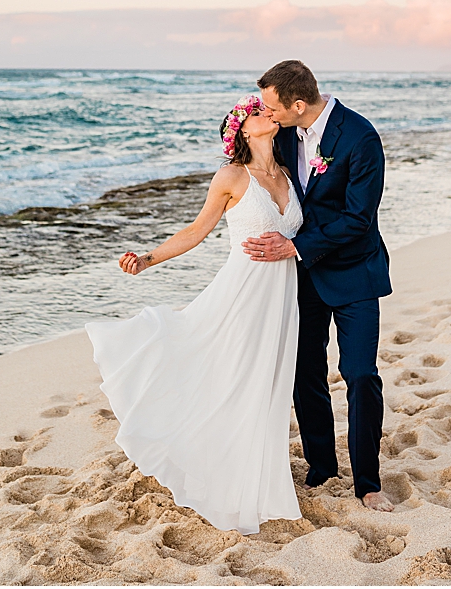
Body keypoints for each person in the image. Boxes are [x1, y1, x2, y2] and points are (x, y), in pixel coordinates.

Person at [85, 94, 302, 534]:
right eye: (257, 112)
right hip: (242, 293)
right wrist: (148, 258)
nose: (267, 114)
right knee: (234, 377)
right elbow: (197, 230)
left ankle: (259, 478)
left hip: (281, 296)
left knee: (269, 384)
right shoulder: (231, 176)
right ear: (241, 129)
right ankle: (218, 475)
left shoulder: (291, 173)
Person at [247, 59, 393, 513]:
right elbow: (249, 137)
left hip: (354, 270)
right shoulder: (284, 131)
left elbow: (358, 218)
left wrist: (295, 246)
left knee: (361, 375)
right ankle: (322, 467)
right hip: (303, 278)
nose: (266, 114)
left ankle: (368, 482)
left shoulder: (360, 137)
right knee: (305, 374)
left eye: (272, 107)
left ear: (297, 104)